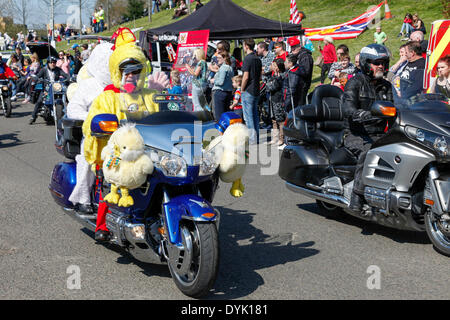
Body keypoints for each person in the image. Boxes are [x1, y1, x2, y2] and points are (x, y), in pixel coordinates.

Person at [81, 28, 160, 241]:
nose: (132, 76)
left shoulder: (151, 95)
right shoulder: (108, 97)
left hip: (150, 150)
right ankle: (102, 225)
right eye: (128, 71)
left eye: (136, 71)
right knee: (112, 178)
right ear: (119, 72)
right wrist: (105, 130)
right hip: (116, 151)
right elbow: (91, 125)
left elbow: (166, 116)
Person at [341, 44, 393, 212]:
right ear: (365, 63)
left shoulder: (387, 86)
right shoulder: (355, 82)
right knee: (370, 152)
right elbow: (347, 108)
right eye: (376, 62)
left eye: (383, 62)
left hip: (380, 134)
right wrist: (362, 114)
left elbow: (396, 107)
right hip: (356, 134)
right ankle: (357, 196)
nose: (381, 66)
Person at [67, 43, 114, 214]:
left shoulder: (123, 84)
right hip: (96, 136)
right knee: (88, 160)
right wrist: (92, 119)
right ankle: (83, 198)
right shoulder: (89, 85)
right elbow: (73, 109)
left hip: (122, 135)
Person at [29, 56, 70, 125]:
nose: (53, 64)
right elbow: (37, 76)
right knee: (39, 101)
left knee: (66, 97)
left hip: (56, 88)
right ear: (48, 63)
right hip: (46, 89)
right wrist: (38, 79)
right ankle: (33, 116)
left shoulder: (58, 69)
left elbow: (65, 75)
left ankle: (69, 114)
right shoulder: (44, 69)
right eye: (51, 62)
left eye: (54, 62)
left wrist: (69, 77)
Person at [241, 38, 262, 145]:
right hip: (256, 89)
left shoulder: (248, 59)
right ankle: (256, 138)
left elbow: (245, 76)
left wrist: (241, 88)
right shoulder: (257, 58)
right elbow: (260, 75)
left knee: (248, 117)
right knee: (255, 115)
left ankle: (252, 140)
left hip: (248, 90)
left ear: (246, 46)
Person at [393, 41, 426, 107]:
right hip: (401, 98)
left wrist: (403, 94)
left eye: (406, 52)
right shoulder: (409, 62)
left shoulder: (422, 64)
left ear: (412, 53)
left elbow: (418, 85)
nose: (405, 54)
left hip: (412, 101)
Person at [266, 58, 286, 145]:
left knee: (280, 120)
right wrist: (269, 84)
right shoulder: (274, 76)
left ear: (278, 68)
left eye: (274, 65)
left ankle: (282, 139)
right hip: (272, 100)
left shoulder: (281, 77)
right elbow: (267, 87)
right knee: (274, 119)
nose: (272, 67)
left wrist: (269, 84)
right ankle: (275, 138)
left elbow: (271, 87)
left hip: (278, 100)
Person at [288, 36, 313, 105]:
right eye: (292, 47)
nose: (293, 49)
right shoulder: (297, 56)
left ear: (299, 46)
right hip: (296, 86)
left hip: (302, 86)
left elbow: (306, 72)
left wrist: (293, 69)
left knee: (300, 107)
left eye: (294, 47)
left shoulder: (305, 56)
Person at [211, 52, 233, 120]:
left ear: (224, 58)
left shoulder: (223, 68)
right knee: (226, 115)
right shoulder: (230, 67)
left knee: (219, 116)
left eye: (219, 58)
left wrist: (213, 81)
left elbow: (220, 82)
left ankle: (221, 130)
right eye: (217, 58)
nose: (217, 60)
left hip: (220, 92)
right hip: (228, 92)